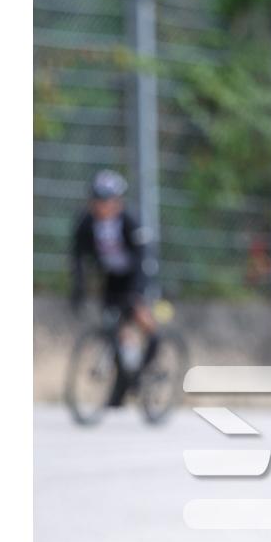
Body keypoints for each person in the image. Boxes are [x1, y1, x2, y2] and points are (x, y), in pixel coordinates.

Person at [70, 170, 157, 402]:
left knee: (137, 313)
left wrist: (135, 294)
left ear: (117, 201)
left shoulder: (129, 220)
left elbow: (142, 257)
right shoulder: (87, 222)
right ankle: (126, 379)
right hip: (112, 277)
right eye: (97, 199)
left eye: (106, 200)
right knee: (115, 325)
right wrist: (79, 286)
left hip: (137, 273)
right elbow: (77, 255)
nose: (101, 205)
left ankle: (153, 353)